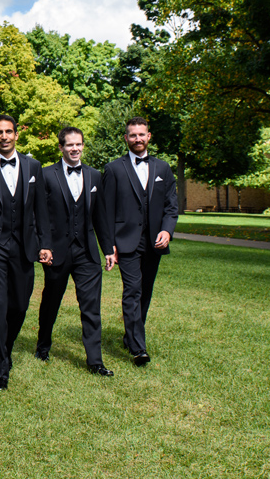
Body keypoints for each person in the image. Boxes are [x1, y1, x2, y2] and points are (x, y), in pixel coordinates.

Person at [0, 114, 52, 390]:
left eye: (8, 131)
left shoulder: (34, 167)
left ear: (16, 135)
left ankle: (5, 347)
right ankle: (0, 368)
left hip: (25, 248)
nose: (4, 136)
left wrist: (45, 244)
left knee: (18, 305)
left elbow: (42, 210)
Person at [37, 127, 116, 376]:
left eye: (79, 144)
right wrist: (44, 245)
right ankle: (43, 344)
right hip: (56, 251)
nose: (75, 149)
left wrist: (108, 248)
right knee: (51, 301)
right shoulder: (46, 175)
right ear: (61, 147)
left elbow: (101, 216)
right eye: (70, 145)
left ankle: (95, 360)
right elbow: (39, 215)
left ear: (83, 146)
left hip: (87, 253)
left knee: (91, 306)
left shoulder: (94, 175)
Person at [102, 117, 178, 366]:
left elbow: (171, 207)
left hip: (155, 243)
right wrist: (109, 244)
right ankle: (138, 348)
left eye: (141, 135)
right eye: (132, 135)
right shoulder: (114, 169)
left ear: (149, 136)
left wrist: (167, 232)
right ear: (126, 138)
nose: (137, 139)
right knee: (132, 290)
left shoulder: (163, 168)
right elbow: (106, 211)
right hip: (126, 243)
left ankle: (131, 335)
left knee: (145, 291)